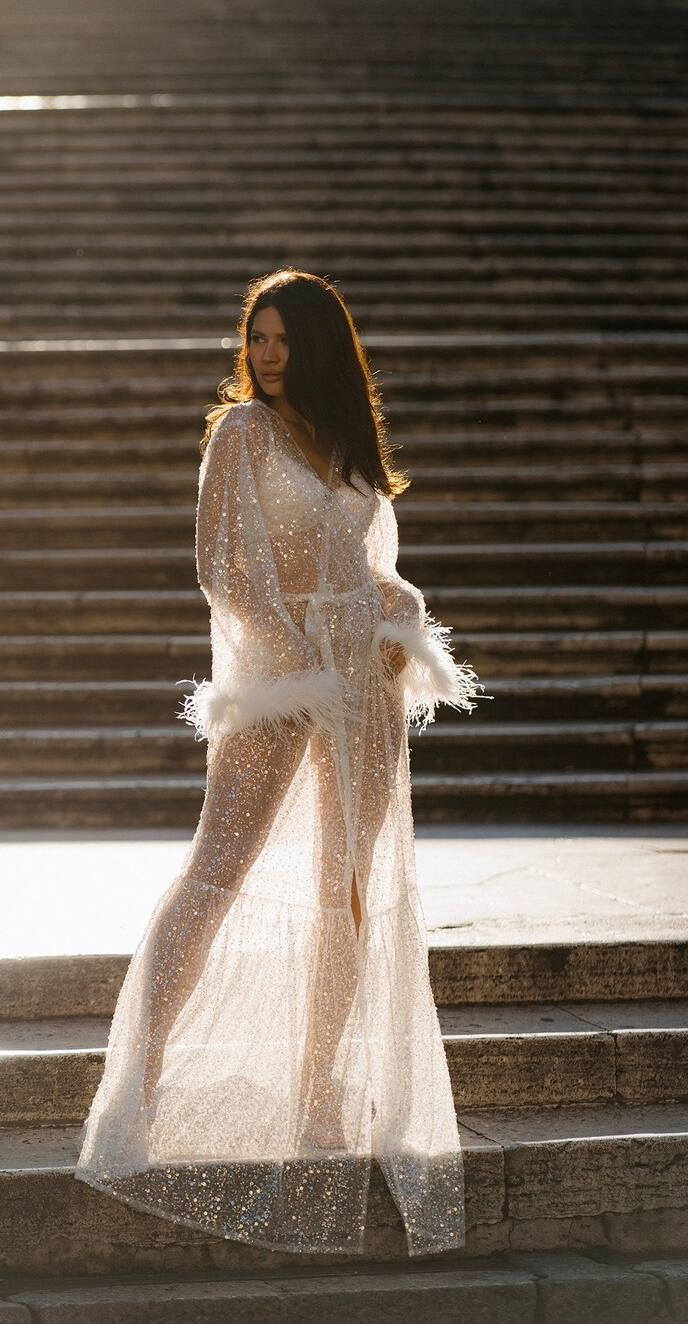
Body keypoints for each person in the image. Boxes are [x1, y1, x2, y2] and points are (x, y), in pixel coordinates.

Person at [75, 268, 483, 1257]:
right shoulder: (239, 435)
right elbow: (223, 568)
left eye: (285, 339)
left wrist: (403, 612)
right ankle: (139, 1083)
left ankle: (317, 1091)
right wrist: (302, 666)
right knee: (217, 873)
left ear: (321, 345)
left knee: (346, 888)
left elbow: (366, 563)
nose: (267, 354)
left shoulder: (343, 446)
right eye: (257, 337)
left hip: (367, 682)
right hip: (282, 679)